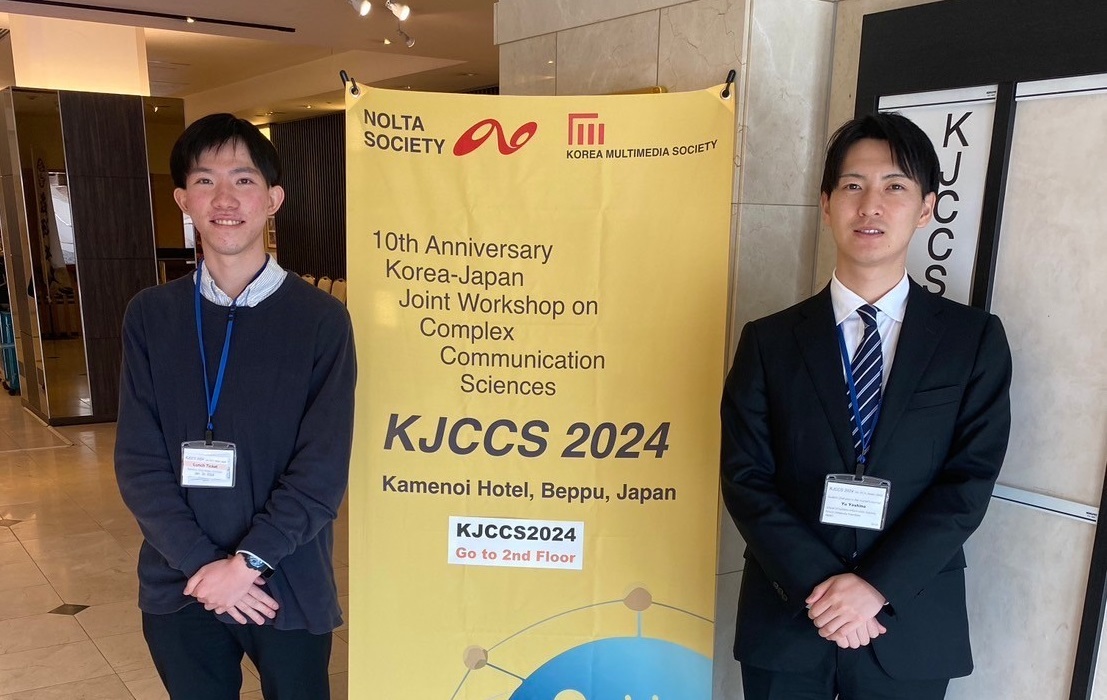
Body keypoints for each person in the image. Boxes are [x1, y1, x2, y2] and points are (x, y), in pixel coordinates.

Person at [721, 112, 1012, 699]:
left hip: (909, 619)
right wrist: (825, 588)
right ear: (827, 204)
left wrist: (875, 587)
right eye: (853, 185)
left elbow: (968, 482)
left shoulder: (972, 341)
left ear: (926, 208)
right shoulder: (769, 342)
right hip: (789, 615)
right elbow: (746, 478)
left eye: (894, 186)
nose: (870, 205)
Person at [115, 113, 356, 699]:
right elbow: (139, 463)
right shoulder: (150, 316)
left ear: (273, 199)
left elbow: (321, 472)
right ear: (183, 199)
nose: (224, 199)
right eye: (205, 181)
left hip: (287, 579)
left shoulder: (320, 321)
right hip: (181, 581)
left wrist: (246, 564)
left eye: (243, 180)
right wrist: (205, 567)